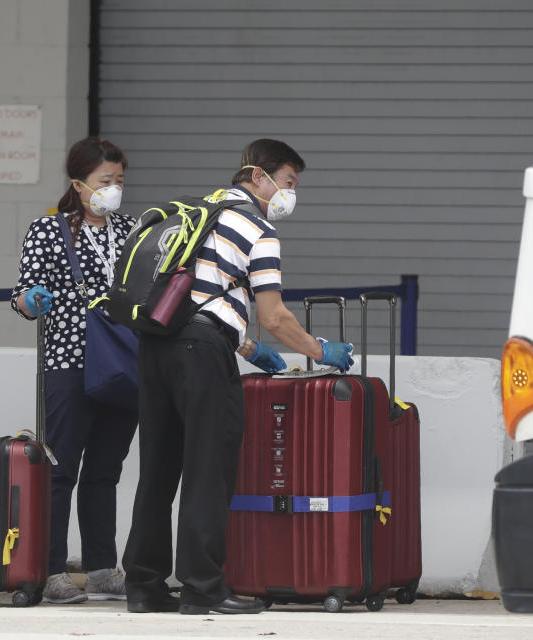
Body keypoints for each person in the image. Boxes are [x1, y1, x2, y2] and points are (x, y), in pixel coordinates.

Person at [123, 139, 355, 615]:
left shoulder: (198, 211)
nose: (290, 194)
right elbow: (272, 315)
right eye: (288, 182)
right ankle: (202, 587)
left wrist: (248, 348)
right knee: (208, 469)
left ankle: (144, 586)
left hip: (156, 344)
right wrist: (320, 350)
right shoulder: (257, 227)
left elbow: (200, 297)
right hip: (203, 353)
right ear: (258, 177)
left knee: (158, 469)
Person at [11, 137, 139, 604]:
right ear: (79, 184)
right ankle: (50, 570)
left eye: (120, 180)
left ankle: (103, 567)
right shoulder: (49, 230)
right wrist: (32, 301)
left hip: (123, 365)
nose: (114, 189)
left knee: (106, 469)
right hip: (69, 361)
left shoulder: (130, 230)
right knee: (60, 467)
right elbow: (22, 294)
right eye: (106, 181)